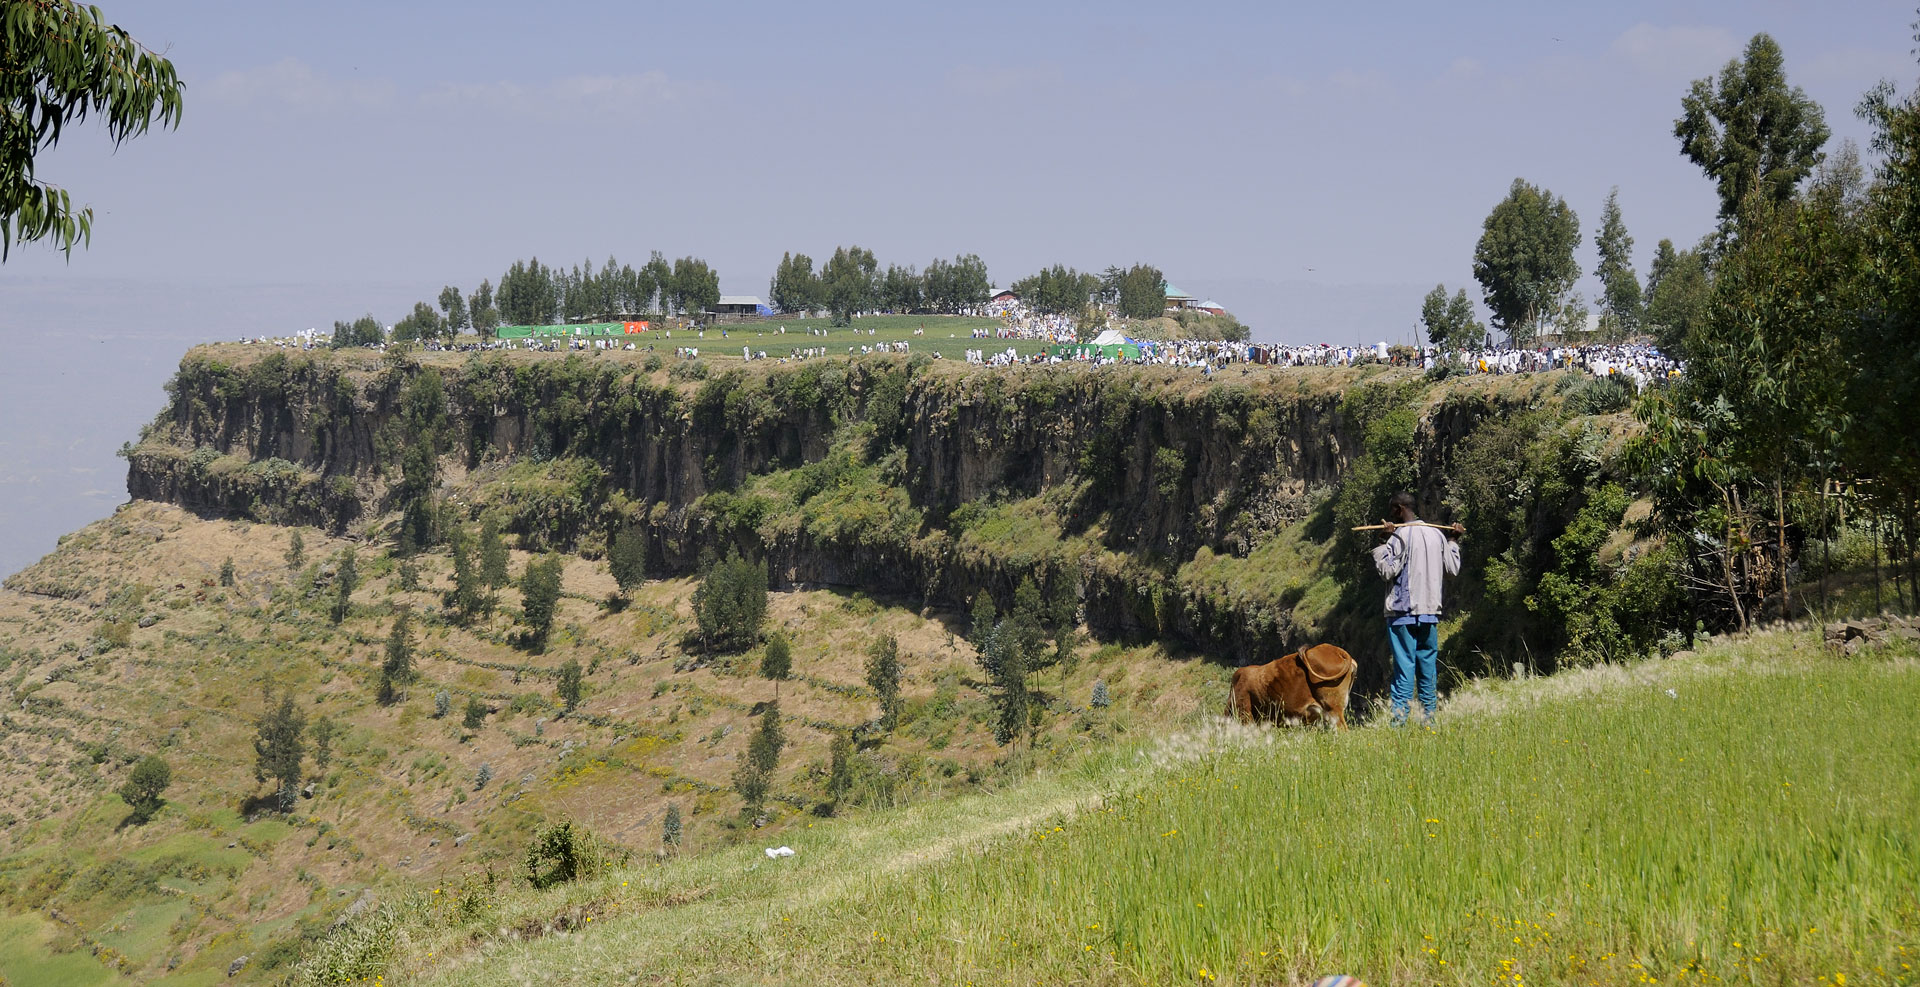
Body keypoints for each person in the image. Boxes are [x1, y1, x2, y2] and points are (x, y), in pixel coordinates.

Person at [1370, 492, 1462, 725]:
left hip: (1402, 613)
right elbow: (1452, 569)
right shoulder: (1436, 535)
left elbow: (1386, 571)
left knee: (1404, 670)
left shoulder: (1398, 537)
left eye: (1392, 510)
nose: (1390, 515)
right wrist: (1454, 540)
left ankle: (1399, 724)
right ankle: (1428, 722)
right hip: (1430, 612)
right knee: (1427, 669)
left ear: (1400, 509)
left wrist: (1383, 542)